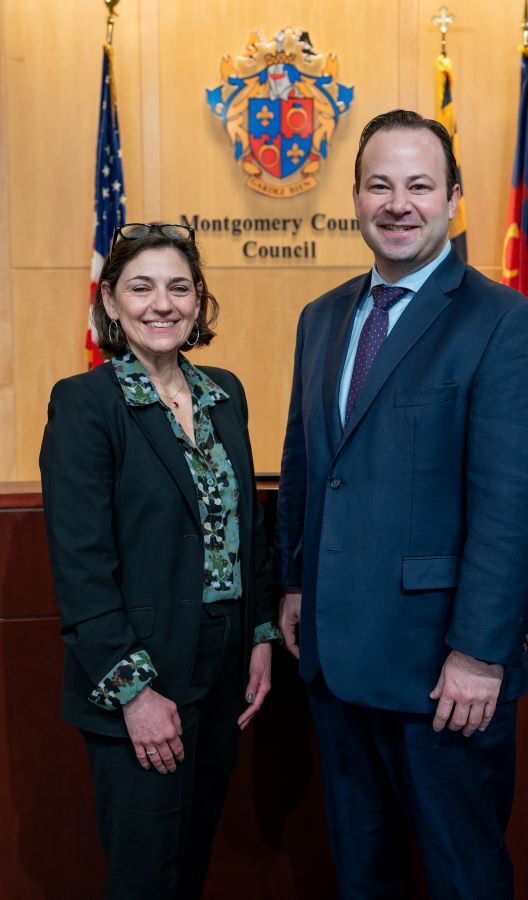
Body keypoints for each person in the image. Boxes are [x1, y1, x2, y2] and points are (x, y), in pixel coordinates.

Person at [275, 110, 528, 899]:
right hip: (336, 665)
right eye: (379, 185)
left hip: (443, 676)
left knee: (462, 879)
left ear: (452, 198)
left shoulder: (505, 323)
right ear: (356, 197)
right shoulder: (322, 318)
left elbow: (517, 505)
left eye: (419, 185)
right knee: (360, 878)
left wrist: (480, 653)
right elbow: (307, 465)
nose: (397, 203)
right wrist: (297, 584)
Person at [40, 223, 280, 899]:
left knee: (192, 862)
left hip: (223, 664)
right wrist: (135, 694)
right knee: (146, 875)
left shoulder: (222, 393)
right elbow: (81, 564)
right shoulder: (87, 403)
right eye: (140, 288)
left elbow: (248, 529)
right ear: (111, 303)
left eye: (180, 287)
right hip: (141, 677)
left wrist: (259, 635)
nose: (162, 303)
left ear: (200, 302)